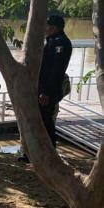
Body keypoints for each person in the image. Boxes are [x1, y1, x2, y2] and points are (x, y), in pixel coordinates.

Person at [18, 15, 72, 162]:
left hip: (48, 91)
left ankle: (50, 155)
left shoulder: (60, 43)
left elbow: (56, 71)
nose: (44, 28)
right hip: (41, 89)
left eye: (47, 25)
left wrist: (46, 92)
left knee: (45, 123)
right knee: (37, 121)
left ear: (54, 27)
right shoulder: (51, 42)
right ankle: (32, 154)